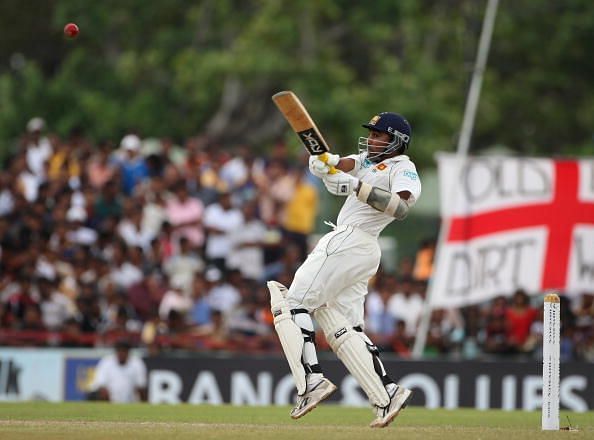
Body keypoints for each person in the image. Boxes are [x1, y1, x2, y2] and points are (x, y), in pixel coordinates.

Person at [268, 112, 421, 428]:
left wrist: (355, 187)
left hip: (352, 239)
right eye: (373, 134)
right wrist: (323, 164)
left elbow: (402, 207)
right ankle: (387, 392)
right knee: (347, 326)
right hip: (359, 249)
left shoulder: (404, 168)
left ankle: (311, 380)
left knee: (293, 302)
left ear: (397, 141)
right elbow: (338, 162)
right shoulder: (367, 160)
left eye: (380, 135)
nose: (373, 139)